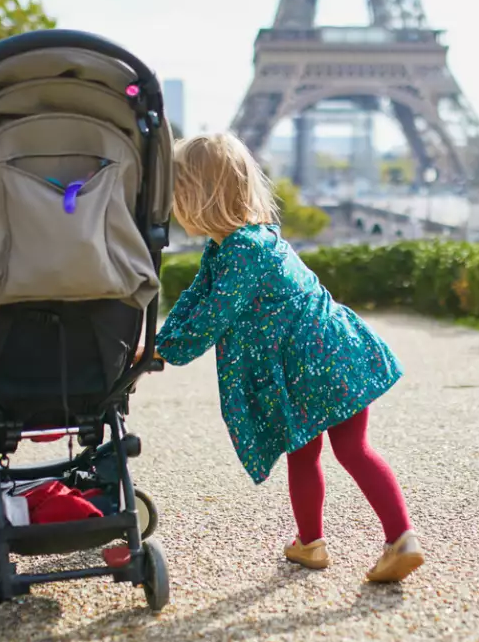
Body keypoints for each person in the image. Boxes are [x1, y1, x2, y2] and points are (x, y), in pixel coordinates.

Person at [140, 132, 423, 583]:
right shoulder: (242, 242)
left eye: (176, 195)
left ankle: (323, 541)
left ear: (196, 196)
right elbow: (199, 295)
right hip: (337, 353)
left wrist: (165, 350)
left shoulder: (242, 252)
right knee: (352, 449)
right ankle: (389, 537)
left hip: (305, 368)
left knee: (305, 454)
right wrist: (161, 339)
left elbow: (213, 314)